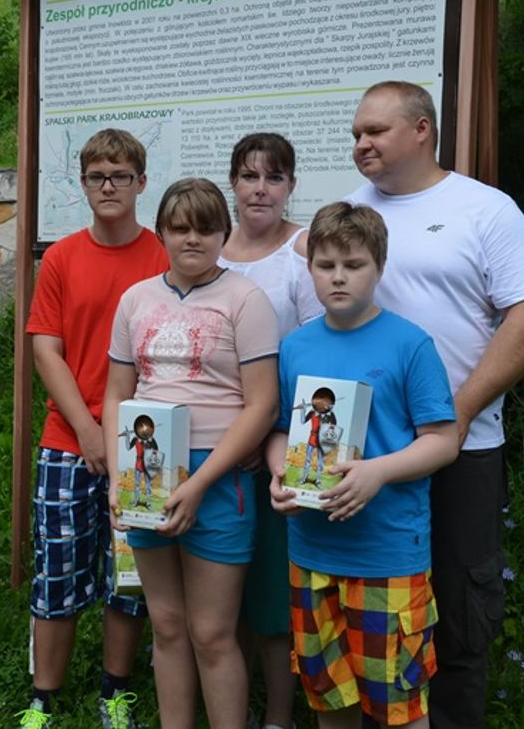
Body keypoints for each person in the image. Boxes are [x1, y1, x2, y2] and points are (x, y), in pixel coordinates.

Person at [346, 81, 524, 728]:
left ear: (421, 130)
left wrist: (457, 413)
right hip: (368, 451)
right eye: (356, 134)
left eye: (375, 131)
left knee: (460, 610)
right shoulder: (349, 213)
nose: (362, 144)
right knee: (375, 606)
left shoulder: (484, 210)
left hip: (463, 447)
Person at [268, 201, 459, 729]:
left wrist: (377, 472)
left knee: (398, 708)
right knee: (330, 702)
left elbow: (443, 440)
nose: (338, 278)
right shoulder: (295, 347)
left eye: (353, 266)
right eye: (326, 265)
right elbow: (284, 430)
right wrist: (278, 473)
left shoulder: (410, 344)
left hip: (387, 554)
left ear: (379, 267)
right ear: (310, 269)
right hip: (310, 551)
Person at [104, 178, 280, 728]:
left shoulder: (245, 299)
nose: (193, 239)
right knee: (169, 625)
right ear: (161, 233)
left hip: (218, 474)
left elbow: (263, 403)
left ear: (224, 233)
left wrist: (201, 483)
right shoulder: (135, 299)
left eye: (206, 228)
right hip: (145, 471)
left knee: (212, 632)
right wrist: (117, 475)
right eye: (180, 228)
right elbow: (115, 394)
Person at [21, 129, 168, 729]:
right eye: (97, 176)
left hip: (144, 444)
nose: (109, 186)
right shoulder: (61, 256)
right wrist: (85, 428)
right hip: (68, 438)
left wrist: (118, 436)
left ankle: (115, 691)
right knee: (56, 568)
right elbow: (45, 350)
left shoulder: (163, 254)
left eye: (121, 175)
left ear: (141, 181)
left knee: (127, 576)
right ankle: (42, 698)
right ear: (82, 184)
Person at [219, 132, 323, 729]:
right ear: (233, 181)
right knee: (219, 592)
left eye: (275, 177)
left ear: (290, 186)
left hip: (277, 448)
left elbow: (313, 351)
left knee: (272, 601)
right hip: (214, 445)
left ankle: (279, 717)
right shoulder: (210, 246)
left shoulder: (302, 251)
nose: (261, 189)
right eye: (250, 176)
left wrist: (271, 436)